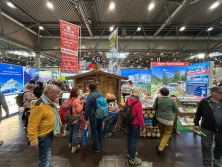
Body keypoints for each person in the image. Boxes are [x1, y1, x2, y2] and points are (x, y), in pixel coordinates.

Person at [27, 84, 61, 167]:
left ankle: (44, 164)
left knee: (46, 154)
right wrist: (33, 139)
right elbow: (32, 124)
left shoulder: (49, 103)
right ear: (50, 93)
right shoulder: (39, 105)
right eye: (56, 93)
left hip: (49, 133)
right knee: (45, 156)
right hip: (43, 136)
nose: (57, 94)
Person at [194, 86, 222, 167]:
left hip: (221, 129)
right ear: (212, 92)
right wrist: (196, 123)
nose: (221, 94)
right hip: (206, 127)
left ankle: (217, 159)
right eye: (219, 93)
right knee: (206, 145)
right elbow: (198, 113)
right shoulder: (204, 102)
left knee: (220, 145)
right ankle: (207, 163)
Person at [153, 87, 179, 154]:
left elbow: (154, 107)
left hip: (159, 118)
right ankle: (161, 147)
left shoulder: (158, 99)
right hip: (169, 119)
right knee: (167, 133)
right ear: (168, 93)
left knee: (162, 131)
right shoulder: (172, 100)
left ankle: (164, 143)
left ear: (161, 92)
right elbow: (176, 110)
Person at [126, 87, 145, 165]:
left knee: (129, 138)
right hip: (135, 124)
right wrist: (143, 126)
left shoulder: (128, 100)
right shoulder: (138, 103)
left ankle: (130, 153)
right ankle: (132, 158)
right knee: (134, 140)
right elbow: (140, 116)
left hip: (128, 122)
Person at [85, 83, 103, 152]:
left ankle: (96, 147)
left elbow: (87, 109)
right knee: (100, 129)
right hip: (100, 113)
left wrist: (86, 119)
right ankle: (100, 143)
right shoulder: (101, 94)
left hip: (94, 115)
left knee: (94, 131)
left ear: (90, 88)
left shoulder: (90, 96)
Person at [68, 86, 84, 153]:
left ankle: (70, 144)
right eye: (78, 90)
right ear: (76, 92)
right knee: (75, 132)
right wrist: (82, 104)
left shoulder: (71, 98)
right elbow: (79, 110)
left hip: (70, 117)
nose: (80, 91)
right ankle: (74, 147)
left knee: (71, 131)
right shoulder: (77, 100)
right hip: (76, 118)